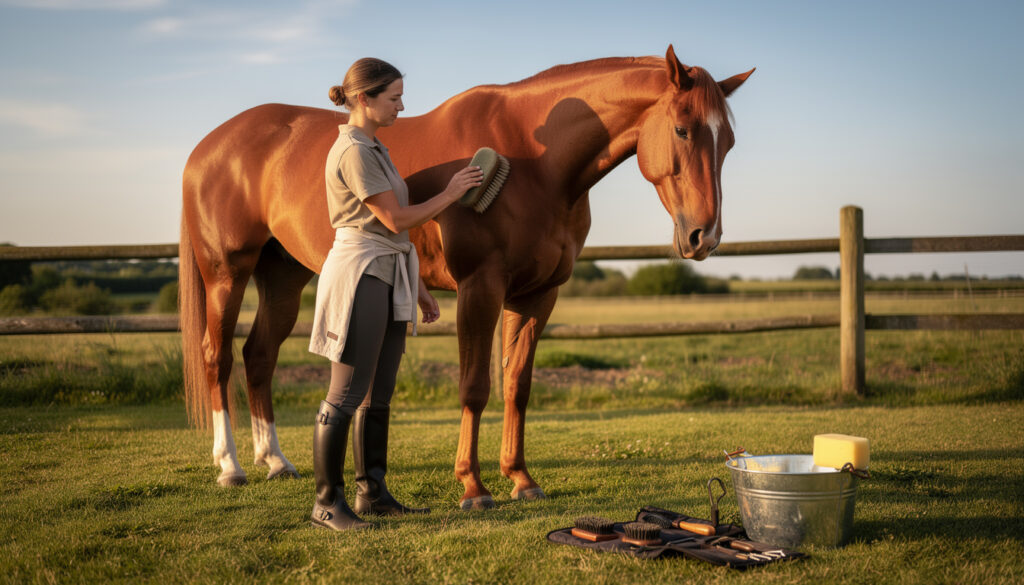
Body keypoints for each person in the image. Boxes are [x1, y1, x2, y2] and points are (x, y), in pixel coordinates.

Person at [308, 57, 483, 531]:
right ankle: (327, 504)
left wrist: (419, 286)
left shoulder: (375, 148)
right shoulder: (353, 151)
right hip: (361, 271)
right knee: (345, 393)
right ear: (363, 99)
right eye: (394, 98)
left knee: (378, 392)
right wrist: (451, 193)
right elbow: (395, 220)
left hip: (389, 269)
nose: (402, 107)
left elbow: (393, 235)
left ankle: (373, 493)